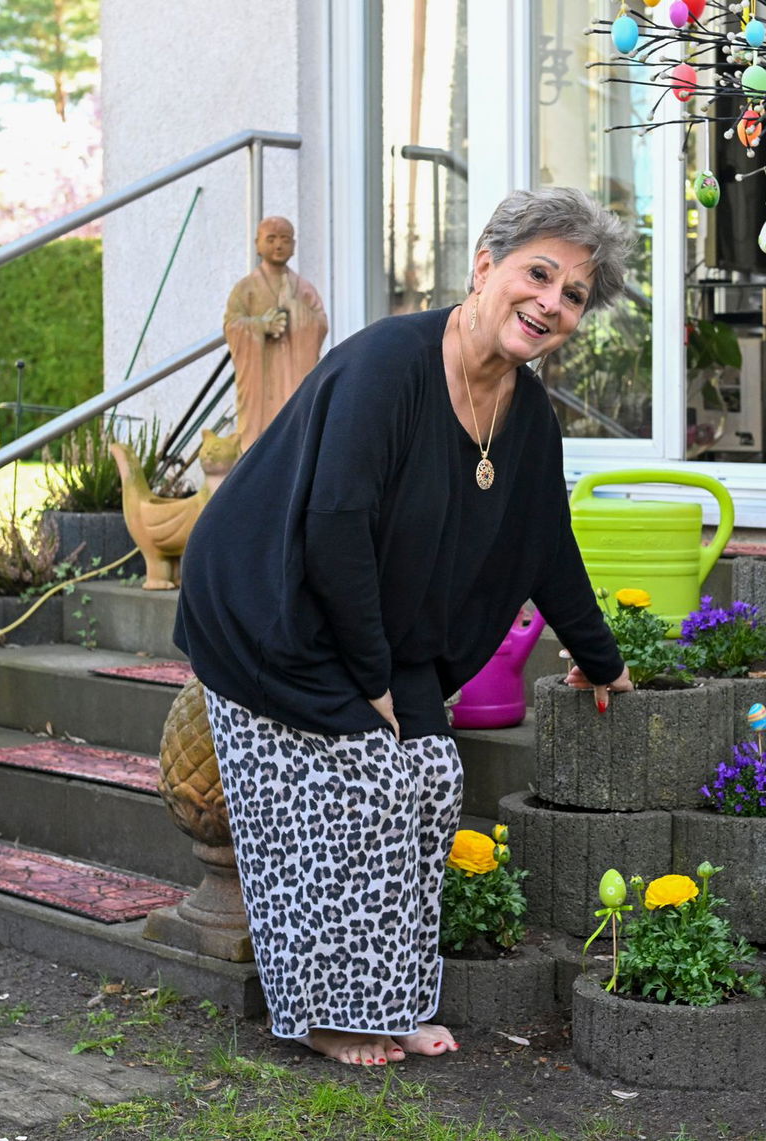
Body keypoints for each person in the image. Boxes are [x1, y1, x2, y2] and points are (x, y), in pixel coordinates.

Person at [175, 187, 635, 1067]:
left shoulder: (528, 417)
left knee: (428, 779)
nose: (551, 302)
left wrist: (602, 659)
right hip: (276, 606)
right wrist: (375, 680)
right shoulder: (390, 365)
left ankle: (389, 994)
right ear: (485, 267)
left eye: (573, 294)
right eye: (539, 274)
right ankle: (325, 1006)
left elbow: (545, 541)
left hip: (382, 620)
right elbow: (335, 523)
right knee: (356, 785)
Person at [223, 215, 328, 451]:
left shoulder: (303, 288)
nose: (278, 245)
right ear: (257, 244)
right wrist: (261, 326)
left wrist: (293, 306)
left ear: (294, 245)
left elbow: (320, 324)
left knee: (296, 428)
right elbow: (232, 325)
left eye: (285, 239)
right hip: (260, 379)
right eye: (271, 239)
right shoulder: (246, 288)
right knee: (259, 439)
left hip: (293, 373)